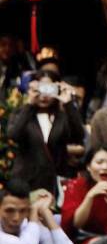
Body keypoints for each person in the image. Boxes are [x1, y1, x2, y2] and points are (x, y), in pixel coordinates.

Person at [7, 68, 85, 199]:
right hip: (26, 182)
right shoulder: (22, 113)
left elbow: (78, 135)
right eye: (40, 89)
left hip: (54, 183)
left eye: (49, 89)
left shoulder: (63, 116)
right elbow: (14, 135)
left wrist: (67, 103)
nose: (44, 96)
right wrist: (30, 104)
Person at [61, 144, 107, 244]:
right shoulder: (75, 186)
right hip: (78, 242)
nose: (105, 167)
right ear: (88, 166)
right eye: (99, 162)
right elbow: (76, 224)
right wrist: (90, 196)